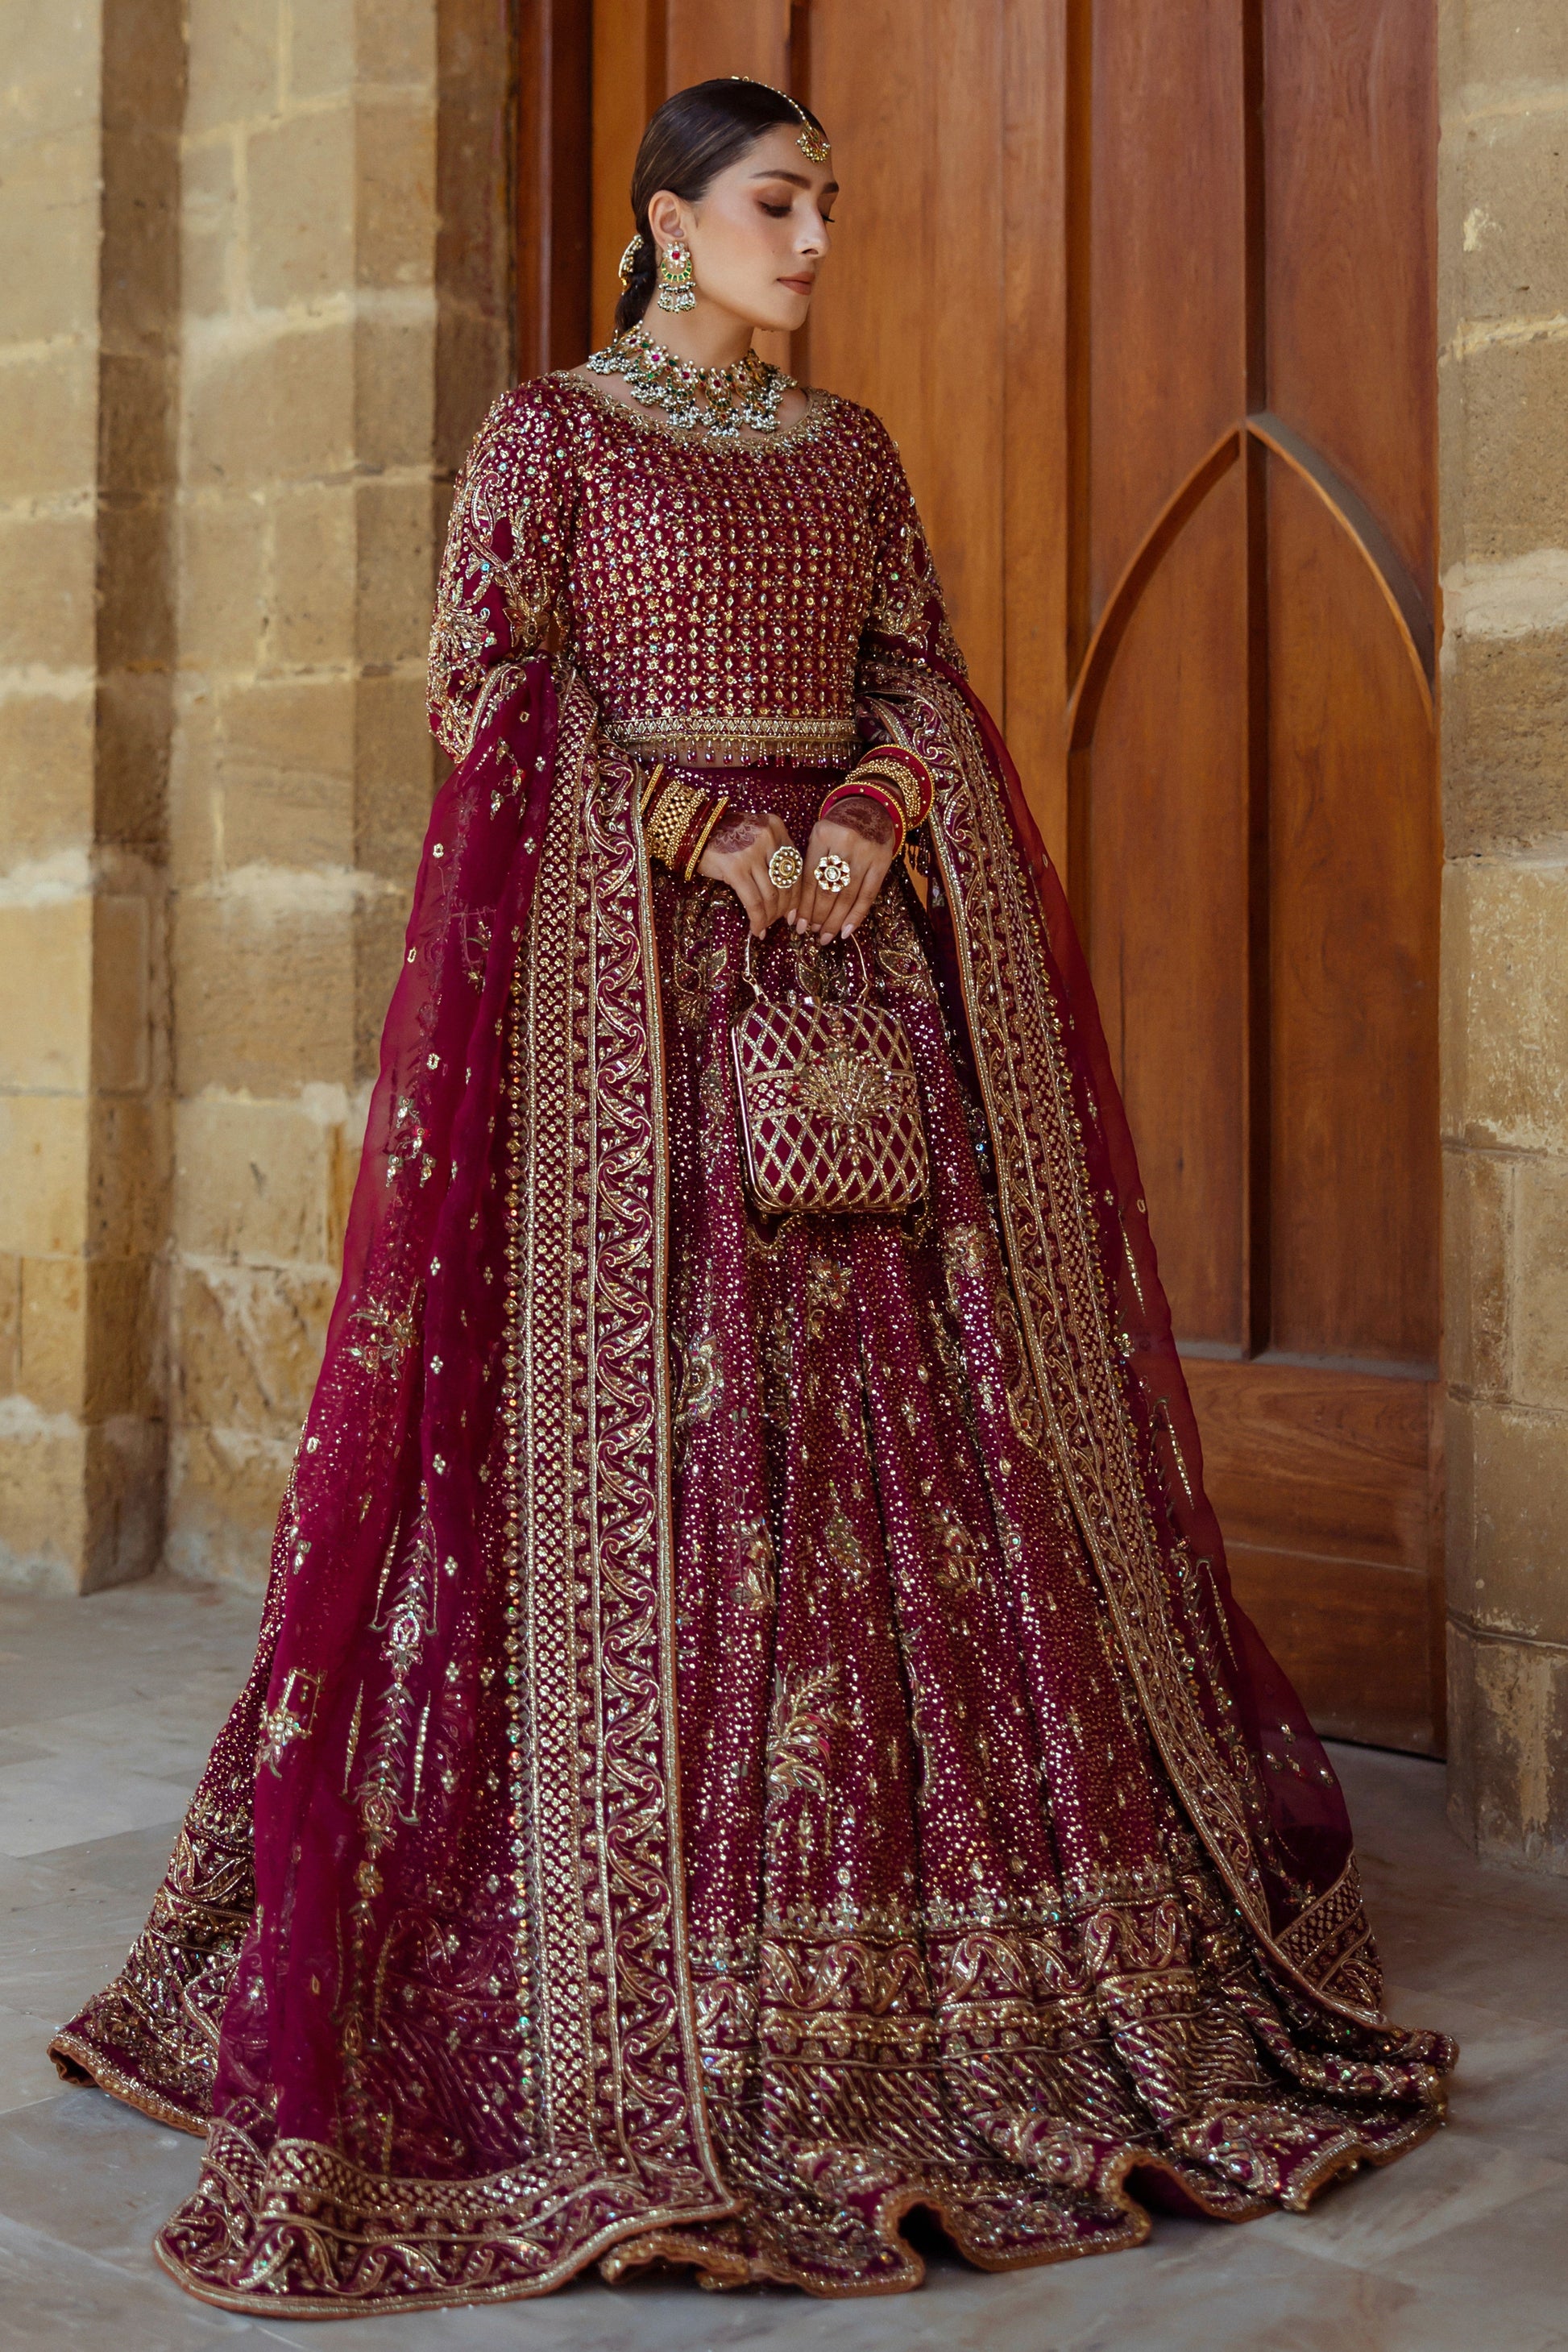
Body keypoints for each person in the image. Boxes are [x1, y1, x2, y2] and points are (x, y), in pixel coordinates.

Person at [50, 77, 1454, 2314]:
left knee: (923, 1404)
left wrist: (877, 818)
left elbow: (917, 667)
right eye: (776, 205)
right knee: (672, 1421)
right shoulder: (548, 438)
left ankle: (952, 1947)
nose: (813, 243)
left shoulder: (853, 450)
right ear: (665, 225)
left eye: (823, 204)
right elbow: (486, 680)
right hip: (638, 1003)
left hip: (860, 985)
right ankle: (646, 1954)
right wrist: (712, 839)